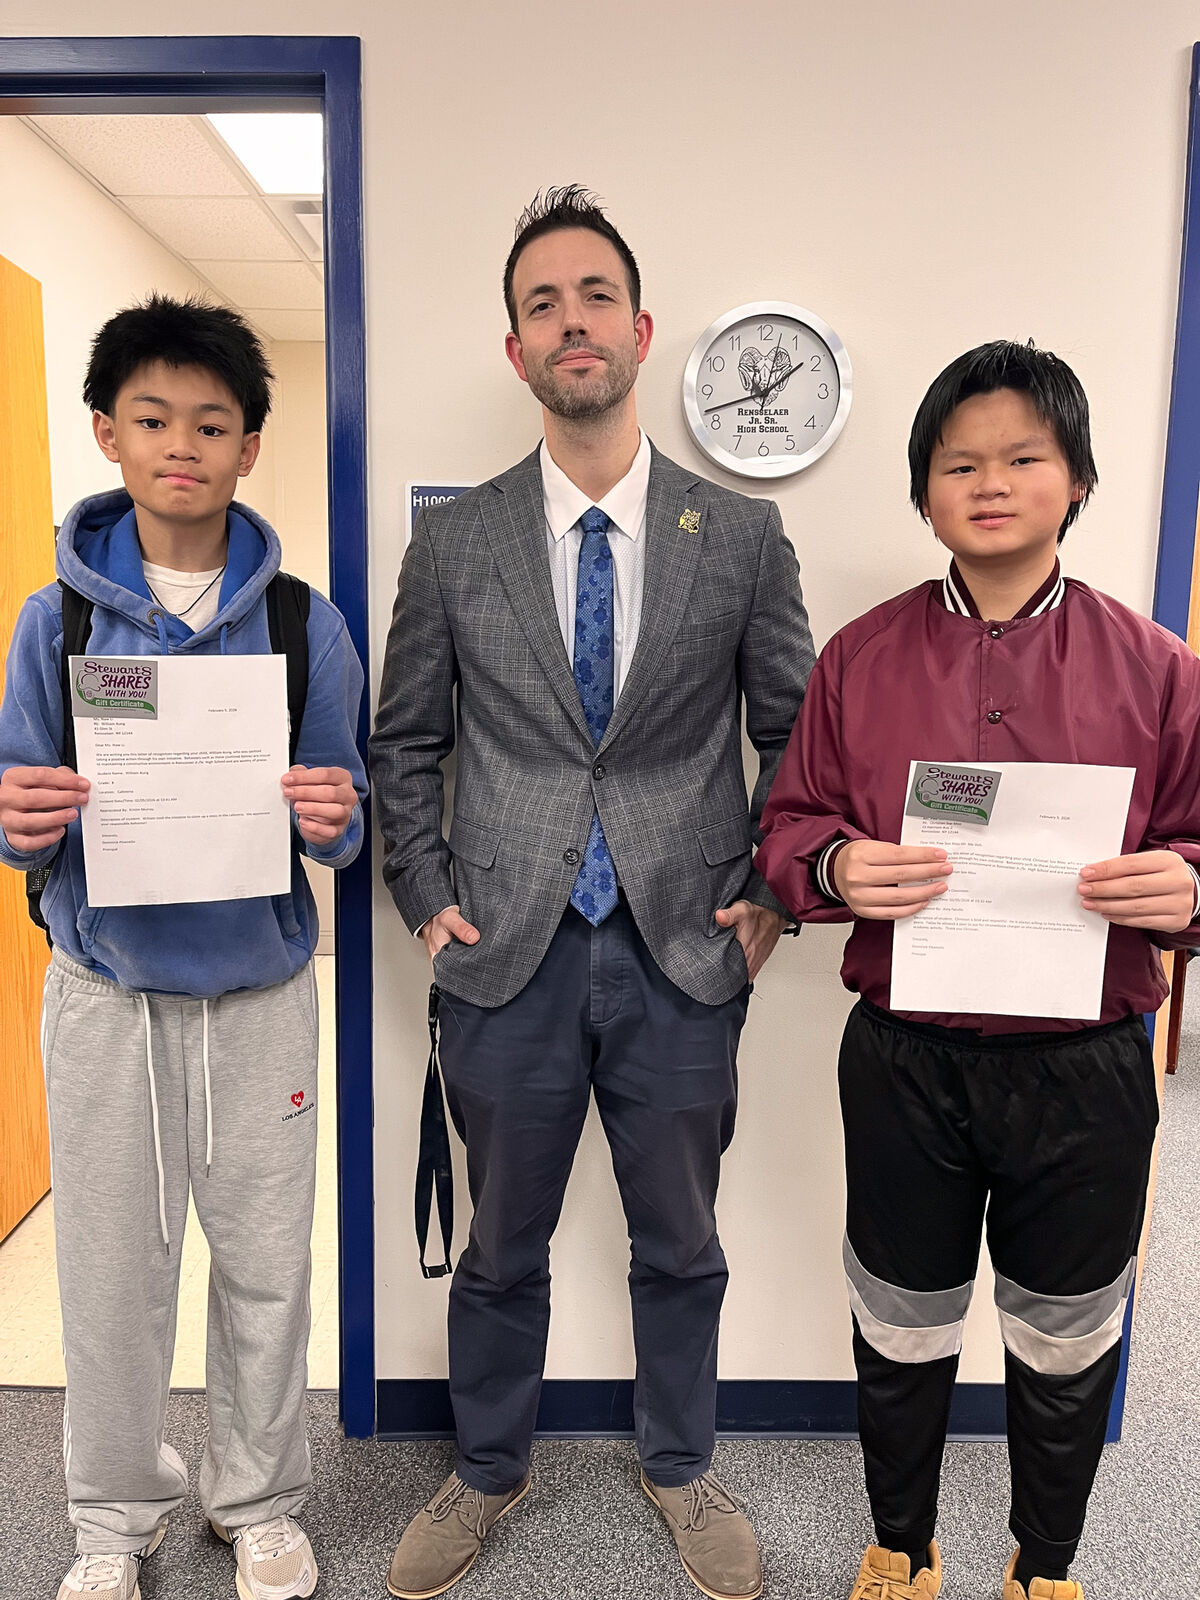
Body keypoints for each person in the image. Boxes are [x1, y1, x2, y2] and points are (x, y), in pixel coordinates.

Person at [370, 186, 813, 1600]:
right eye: (543, 304)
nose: (573, 321)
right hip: (505, 950)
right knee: (501, 1243)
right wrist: (426, 890)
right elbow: (406, 739)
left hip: (687, 950)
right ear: (517, 349)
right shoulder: (454, 543)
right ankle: (488, 1468)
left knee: (681, 1239)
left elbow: (797, 731)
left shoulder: (738, 539)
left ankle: (679, 1466)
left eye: (594, 296)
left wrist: (769, 896)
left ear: (640, 326)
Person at [756, 340, 1200, 1600]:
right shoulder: (859, 658)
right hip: (909, 1060)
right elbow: (786, 828)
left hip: (1090, 1068)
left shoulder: (1160, 669)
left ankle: (1044, 1567)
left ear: (1078, 481)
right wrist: (837, 869)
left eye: (1024, 457)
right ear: (923, 491)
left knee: (1065, 1338)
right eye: (960, 462)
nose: (990, 481)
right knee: (901, 1323)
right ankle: (901, 1546)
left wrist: (1191, 888)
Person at [0, 294, 366, 1600]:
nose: (182, 445)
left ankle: (258, 1501)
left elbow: (345, 815)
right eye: (152, 418)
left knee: (268, 1270)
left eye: (212, 424)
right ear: (107, 433)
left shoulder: (300, 623)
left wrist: (336, 811)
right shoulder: (57, 625)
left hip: (262, 995)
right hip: (105, 995)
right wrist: (20, 813)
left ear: (250, 448)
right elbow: (17, 810)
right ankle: (112, 1520)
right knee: (110, 1278)